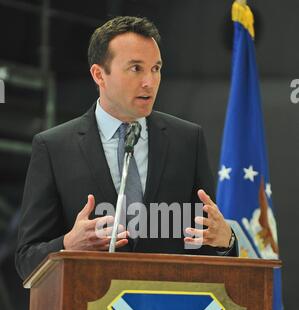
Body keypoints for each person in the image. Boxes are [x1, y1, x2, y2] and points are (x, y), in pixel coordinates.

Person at [15, 16, 238, 281]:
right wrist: (67, 245)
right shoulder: (54, 147)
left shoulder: (187, 140)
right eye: (136, 68)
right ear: (99, 75)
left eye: (156, 69)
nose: (149, 81)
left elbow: (204, 242)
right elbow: (26, 259)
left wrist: (226, 241)